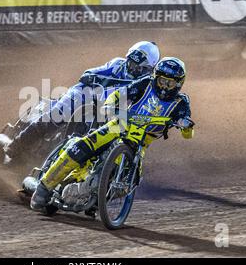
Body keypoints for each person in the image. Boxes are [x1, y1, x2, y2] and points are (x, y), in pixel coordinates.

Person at [30, 57, 195, 210]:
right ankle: (44, 187)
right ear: (155, 77)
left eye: (170, 83)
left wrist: (186, 126)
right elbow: (119, 94)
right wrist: (110, 105)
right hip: (119, 125)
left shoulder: (181, 102)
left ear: (179, 84)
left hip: (141, 141)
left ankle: (97, 195)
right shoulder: (145, 83)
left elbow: (188, 133)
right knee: (83, 146)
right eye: (162, 81)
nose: (164, 86)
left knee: (131, 180)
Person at [0, 41, 161, 164]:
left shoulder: (148, 85)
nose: (133, 70)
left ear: (150, 69)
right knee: (59, 113)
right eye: (132, 64)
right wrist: (93, 78)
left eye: (140, 68)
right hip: (86, 96)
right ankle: (16, 146)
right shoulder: (117, 65)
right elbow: (89, 73)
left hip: (111, 115)